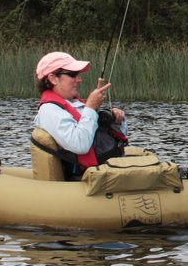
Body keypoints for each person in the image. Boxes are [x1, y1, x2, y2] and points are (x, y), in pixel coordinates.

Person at [33, 51, 128, 180]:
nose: (79, 79)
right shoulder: (49, 110)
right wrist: (90, 108)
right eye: (73, 75)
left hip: (106, 169)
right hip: (85, 179)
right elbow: (80, 145)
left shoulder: (74, 103)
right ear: (53, 78)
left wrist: (117, 122)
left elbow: (99, 137)